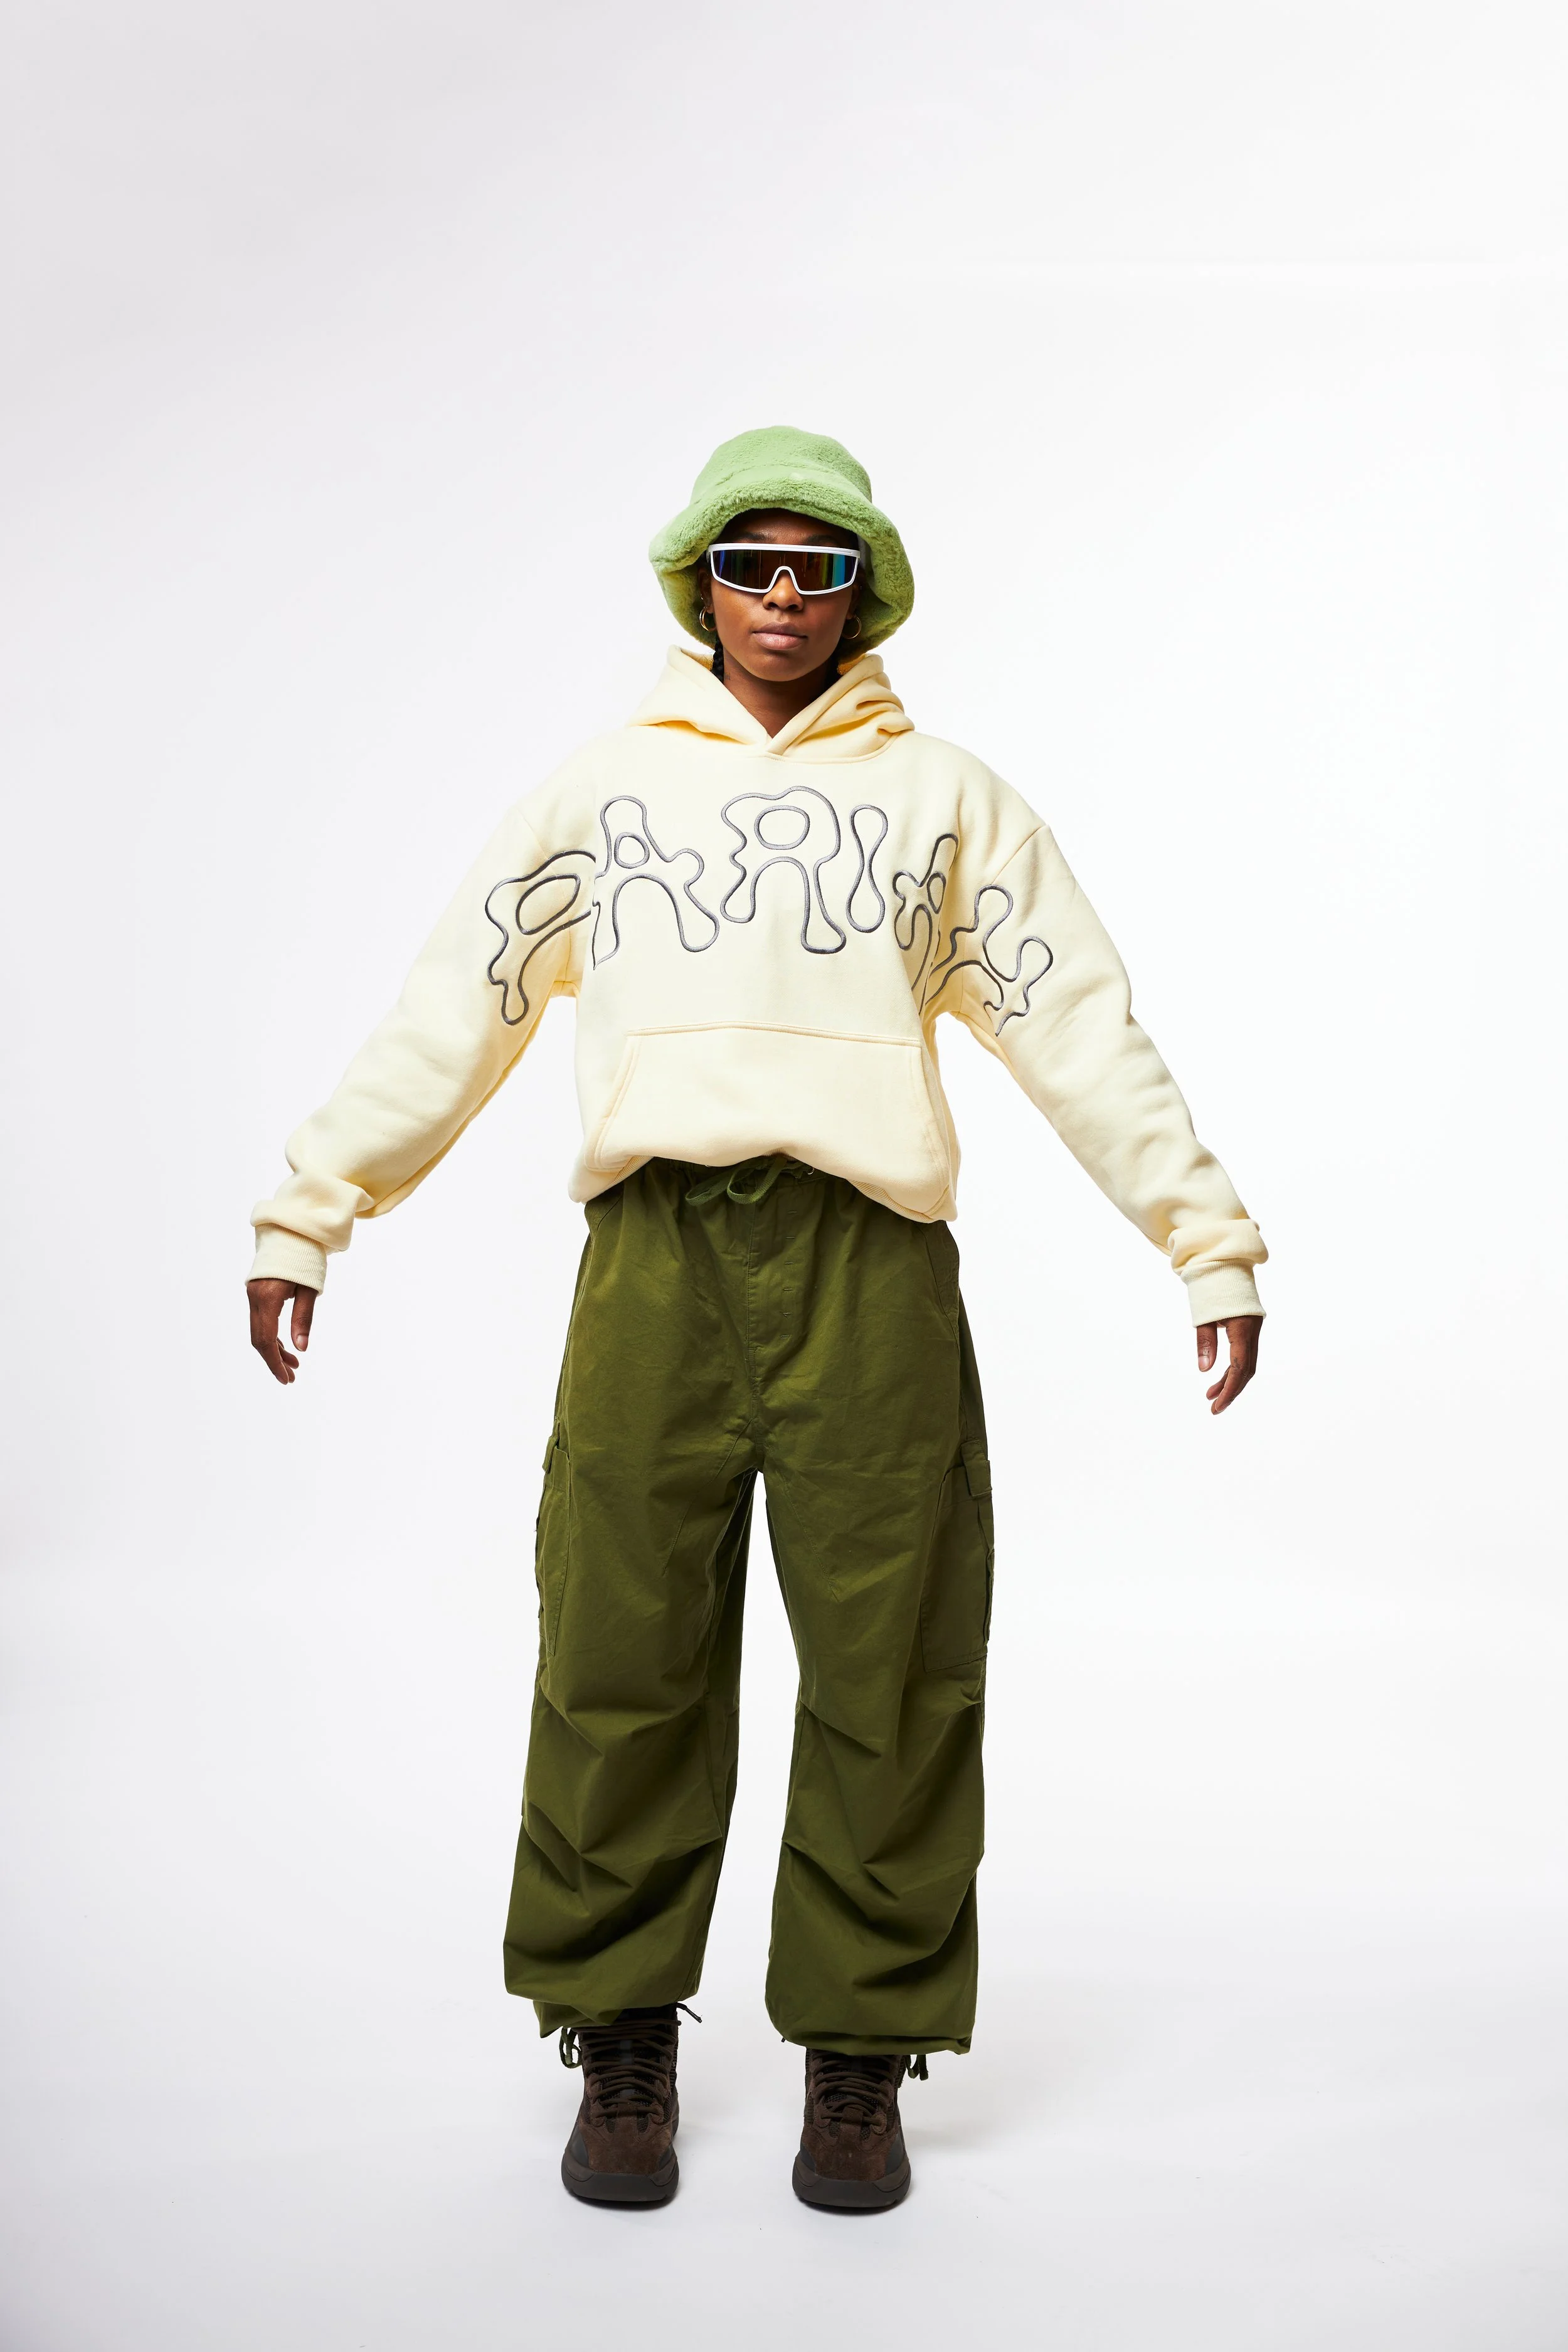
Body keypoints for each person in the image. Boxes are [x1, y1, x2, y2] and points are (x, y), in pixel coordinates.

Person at [246, 425, 1265, 2213]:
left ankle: (859, 2055)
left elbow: (1079, 1029)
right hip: (655, 1258)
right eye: (750, 564)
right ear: (696, 583)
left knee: (896, 1666)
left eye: (819, 568)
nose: (784, 597)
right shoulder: (603, 794)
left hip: (870, 1262)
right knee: (619, 1653)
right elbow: (456, 1008)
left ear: (866, 591)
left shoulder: (947, 801)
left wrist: (1204, 1240)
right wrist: (311, 1207)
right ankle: (620, 2035)